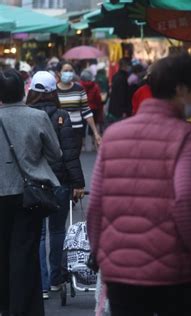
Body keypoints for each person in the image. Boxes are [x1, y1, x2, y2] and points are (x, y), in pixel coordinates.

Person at [87, 54, 191, 316]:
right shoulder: (187, 136)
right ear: (180, 89)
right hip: (173, 269)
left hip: (119, 268)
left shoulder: (114, 134)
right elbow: (186, 198)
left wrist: (99, 252)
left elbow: (96, 202)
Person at [0, 69, 62, 316]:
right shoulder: (37, 117)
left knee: (2, 250)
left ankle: (4, 304)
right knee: (25, 252)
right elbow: (55, 154)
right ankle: (24, 308)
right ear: (22, 90)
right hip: (29, 193)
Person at [26, 71, 86, 299]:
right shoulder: (62, 115)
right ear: (53, 92)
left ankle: (40, 284)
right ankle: (55, 280)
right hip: (59, 180)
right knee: (58, 229)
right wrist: (78, 183)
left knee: (38, 234)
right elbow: (70, 153)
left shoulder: (26, 115)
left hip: (33, 182)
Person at [57, 61, 102, 148]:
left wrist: (96, 133)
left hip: (76, 130)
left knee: (74, 158)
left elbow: (86, 111)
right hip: (60, 131)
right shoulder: (53, 90)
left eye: (70, 71)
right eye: (65, 71)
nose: (69, 73)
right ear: (59, 73)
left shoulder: (79, 89)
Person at [80, 69, 104, 137]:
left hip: (82, 109)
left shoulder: (79, 86)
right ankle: (93, 141)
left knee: (82, 127)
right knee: (93, 126)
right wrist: (100, 107)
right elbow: (98, 99)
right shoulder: (95, 86)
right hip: (94, 109)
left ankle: (83, 144)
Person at [107, 58, 132, 122]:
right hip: (120, 111)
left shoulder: (115, 76)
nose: (129, 67)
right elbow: (122, 95)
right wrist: (124, 110)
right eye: (128, 65)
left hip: (113, 108)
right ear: (124, 66)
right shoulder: (123, 78)